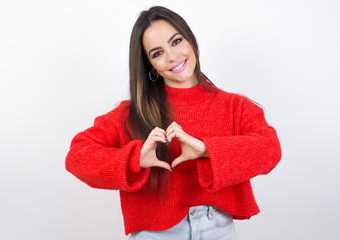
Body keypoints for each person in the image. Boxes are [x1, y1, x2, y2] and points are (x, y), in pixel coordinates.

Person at [65, 6, 282, 240]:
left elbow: (270, 150)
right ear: (150, 66)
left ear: (190, 39)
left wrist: (206, 150)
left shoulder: (234, 106)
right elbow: (77, 156)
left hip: (218, 230)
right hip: (155, 235)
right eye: (157, 53)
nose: (172, 56)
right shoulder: (130, 114)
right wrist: (135, 159)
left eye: (176, 41)